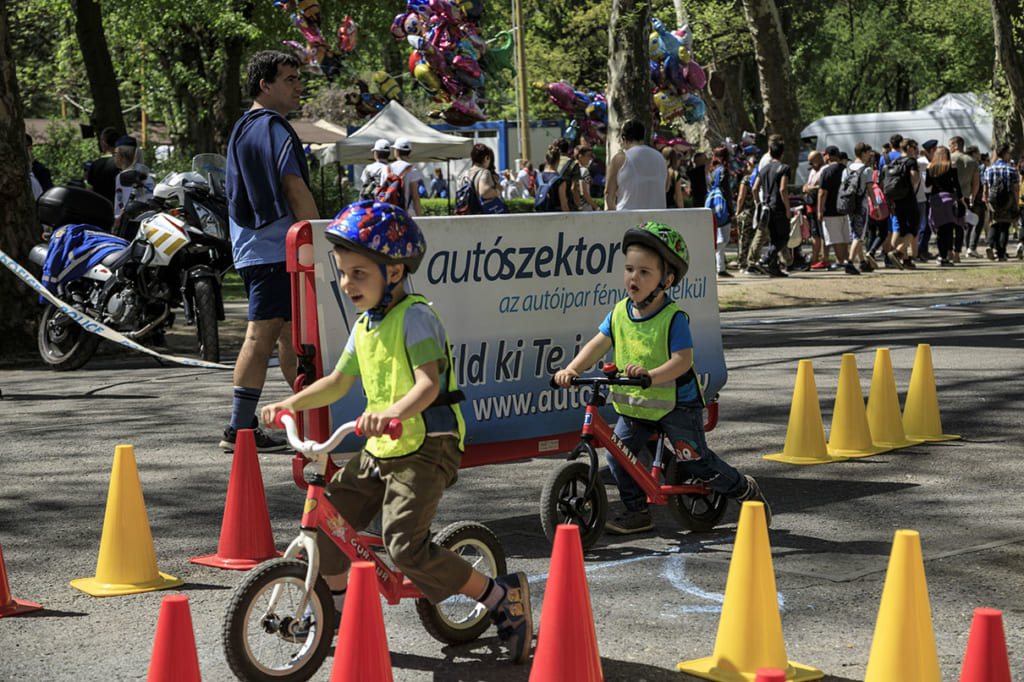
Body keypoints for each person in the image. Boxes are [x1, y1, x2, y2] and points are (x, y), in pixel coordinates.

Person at [260, 201, 533, 663]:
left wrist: (396, 414)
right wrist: (290, 402)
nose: (347, 284)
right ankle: (340, 618)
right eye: (343, 273)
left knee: (405, 546)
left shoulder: (416, 317)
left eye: (359, 274)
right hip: (383, 445)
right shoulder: (366, 324)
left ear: (395, 272)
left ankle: (498, 594)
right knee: (330, 524)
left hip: (429, 444)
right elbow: (338, 382)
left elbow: (428, 383)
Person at [553, 222, 771, 534]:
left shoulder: (673, 318)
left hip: (677, 405)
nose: (633, 277)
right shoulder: (619, 312)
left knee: (697, 462)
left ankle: (743, 489)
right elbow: (598, 344)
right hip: (638, 405)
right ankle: (638, 512)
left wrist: (651, 376)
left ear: (666, 280)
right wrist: (572, 369)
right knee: (618, 458)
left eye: (644, 272)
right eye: (629, 269)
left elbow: (682, 361)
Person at [219, 50, 319, 452]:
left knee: (293, 338)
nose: (298, 86)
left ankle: (311, 418)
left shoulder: (244, 126)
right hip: (278, 251)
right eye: (290, 78)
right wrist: (321, 236)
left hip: (256, 250)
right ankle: (239, 429)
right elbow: (294, 186)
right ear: (266, 85)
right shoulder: (273, 126)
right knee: (261, 338)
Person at [750, 137, 792, 277]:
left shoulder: (764, 169)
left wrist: (758, 204)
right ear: (782, 153)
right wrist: (787, 208)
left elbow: (755, 188)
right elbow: (782, 189)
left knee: (774, 237)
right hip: (779, 207)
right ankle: (766, 258)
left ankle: (773, 267)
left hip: (767, 207)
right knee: (784, 237)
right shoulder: (784, 168)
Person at [604, 118, 667, 211]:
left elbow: (609, 193)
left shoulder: (620, 158)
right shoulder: (660, 157)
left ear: (623, 138)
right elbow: (665, 187)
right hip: (657, 219)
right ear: (643, 136)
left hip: (628, 218)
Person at [817, 145, 859, 275]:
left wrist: (819, 210)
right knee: (844, 238)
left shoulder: (827, 171)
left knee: (835, 238)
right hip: (845, 208)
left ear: (828, 156)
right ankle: (846, 260)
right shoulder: (845, 169)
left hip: (830, 209)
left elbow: (822, 192)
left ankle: (842, 262)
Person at [886, 138, 922, 269]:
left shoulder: (895, 161)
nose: (916, 151)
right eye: (914, 147)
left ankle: (906, 260)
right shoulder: (911, 161)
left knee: (902, 230)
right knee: (913, 228)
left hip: (896, 199)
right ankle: (898, 252)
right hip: (908, 197)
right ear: (908, 148)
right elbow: (915, 180)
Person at [982, 143, 1021, 261]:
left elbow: (985, 188)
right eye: (1008, 153)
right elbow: (1015, 188)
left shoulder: (989, 169)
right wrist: (1016, 202)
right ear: (1004, 154)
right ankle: (1001, 253)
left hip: (993, 200)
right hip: (1007, 200)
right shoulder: (1011, 169)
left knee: (994, 223)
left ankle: (989, 244)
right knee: (1004, 225)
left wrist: (986, 200)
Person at [924, 145, 962, 266]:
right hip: (949, 199)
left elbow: (927, 184)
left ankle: (941, 256)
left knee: (940, 230)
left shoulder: (931, 166)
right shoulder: (951, 165)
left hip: (936, 200)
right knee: (949, 229)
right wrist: (961, 200)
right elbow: (956, 184)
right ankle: (946, 256)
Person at [111, 136, 155, 237]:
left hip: (128, 224)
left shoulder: (122, 177)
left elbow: (121, 203)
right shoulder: (148, 177)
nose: (114, 157)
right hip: (145, 223)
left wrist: (116, 224)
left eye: (115, 154)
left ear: (121, 156)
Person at [949, 136, 980, 260]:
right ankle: (957, 253)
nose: (949, 148)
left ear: (956, 145)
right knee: (960, 226)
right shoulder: (972, 161)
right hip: (965, 197)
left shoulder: (949, 158)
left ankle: (949, 251)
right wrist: (973, 195)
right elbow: (976, 182)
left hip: (950, 197)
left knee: (949, 225)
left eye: (950, 145)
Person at [707, 145, 734, 277]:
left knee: (717, 236)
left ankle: (719, 267)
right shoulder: (723, 170)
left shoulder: (710, 171)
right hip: (723, 208)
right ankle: (719, 266)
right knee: (723, 239)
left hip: (712, 206)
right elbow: (727, 192)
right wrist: (731, 210)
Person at [459, 143, 508, 214]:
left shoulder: (464, 174)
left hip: (465, 213)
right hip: (480, 215)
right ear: (486, 158)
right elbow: (484, 193)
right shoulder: (484, 172)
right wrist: (498, 190)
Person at [803, 151, 828, 268]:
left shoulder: (825, 169)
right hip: (811, 206)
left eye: (812, 162)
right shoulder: (812, 171)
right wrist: (807, 188)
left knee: (823, 234)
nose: (810, 165)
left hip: (820, 206)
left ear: (818, 160)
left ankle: (824, 258)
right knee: (815, 234)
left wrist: (811, 188)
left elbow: (822, 187)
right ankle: (814, 258)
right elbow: (807, 185)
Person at [84, 126, 121, 204]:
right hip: (119, 210)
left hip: (100, 209)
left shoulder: (94, 165)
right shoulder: (122, 164)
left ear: (103, 143)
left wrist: (85, 178)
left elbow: (89, 191)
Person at [388, 137, 424, 217]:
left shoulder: (387, 169)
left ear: (396, 151)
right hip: (408, 214)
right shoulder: (412, 170)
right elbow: (415, 197)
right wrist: (420, 217)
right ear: (409, 152)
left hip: (390, 215)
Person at [915, 139, 938, 261]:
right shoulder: (922, 162)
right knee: (924, 225)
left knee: (929, 225)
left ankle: (924, 249)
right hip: (924, 196)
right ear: (932, 150)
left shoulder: (931, 161)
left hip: (930, 196)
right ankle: (919, 250)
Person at [535, 146, 569, 212]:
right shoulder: (560, 180)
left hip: (540, 215)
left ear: (546, 160)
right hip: (555, 215)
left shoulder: (538, 177)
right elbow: (563, 205)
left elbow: (537, 197)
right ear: (558, 161)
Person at [575, 146, 601, 211]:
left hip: (575, 206)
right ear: (580, 156)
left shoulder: (573, 170)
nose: (590, 159)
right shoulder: (584, 171)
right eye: (588, 156)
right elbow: (583, 192)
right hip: (585, 207)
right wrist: (597, 207)